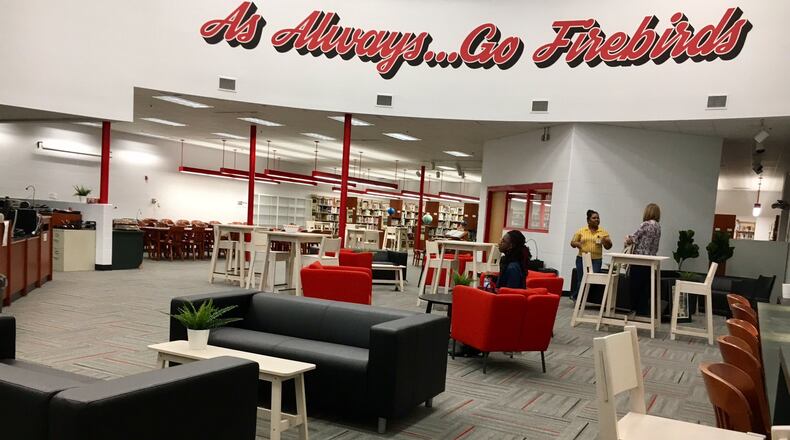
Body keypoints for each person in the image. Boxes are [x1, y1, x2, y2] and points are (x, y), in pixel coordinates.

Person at [625, 203, 661, 316]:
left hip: (639, 259)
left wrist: (627, 238)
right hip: (650, 260)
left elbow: (633, 239)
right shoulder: (658, 227)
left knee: (635, 285)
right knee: (645, 287)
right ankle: (642, 311)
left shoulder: (645, 224)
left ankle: (633, 310)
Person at [569, 210, 612, 301]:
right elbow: (572, 243)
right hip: (582, 259)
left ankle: (575, 296)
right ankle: (578, 300)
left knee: (591, 279)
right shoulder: (581, 231)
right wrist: (578, 244)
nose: (596, 219)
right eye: (594, 218)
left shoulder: (603, 232)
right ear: (588, 220)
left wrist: (606, 242)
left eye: (598, 218)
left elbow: (609, 247)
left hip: (596, 260)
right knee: (582, 279)